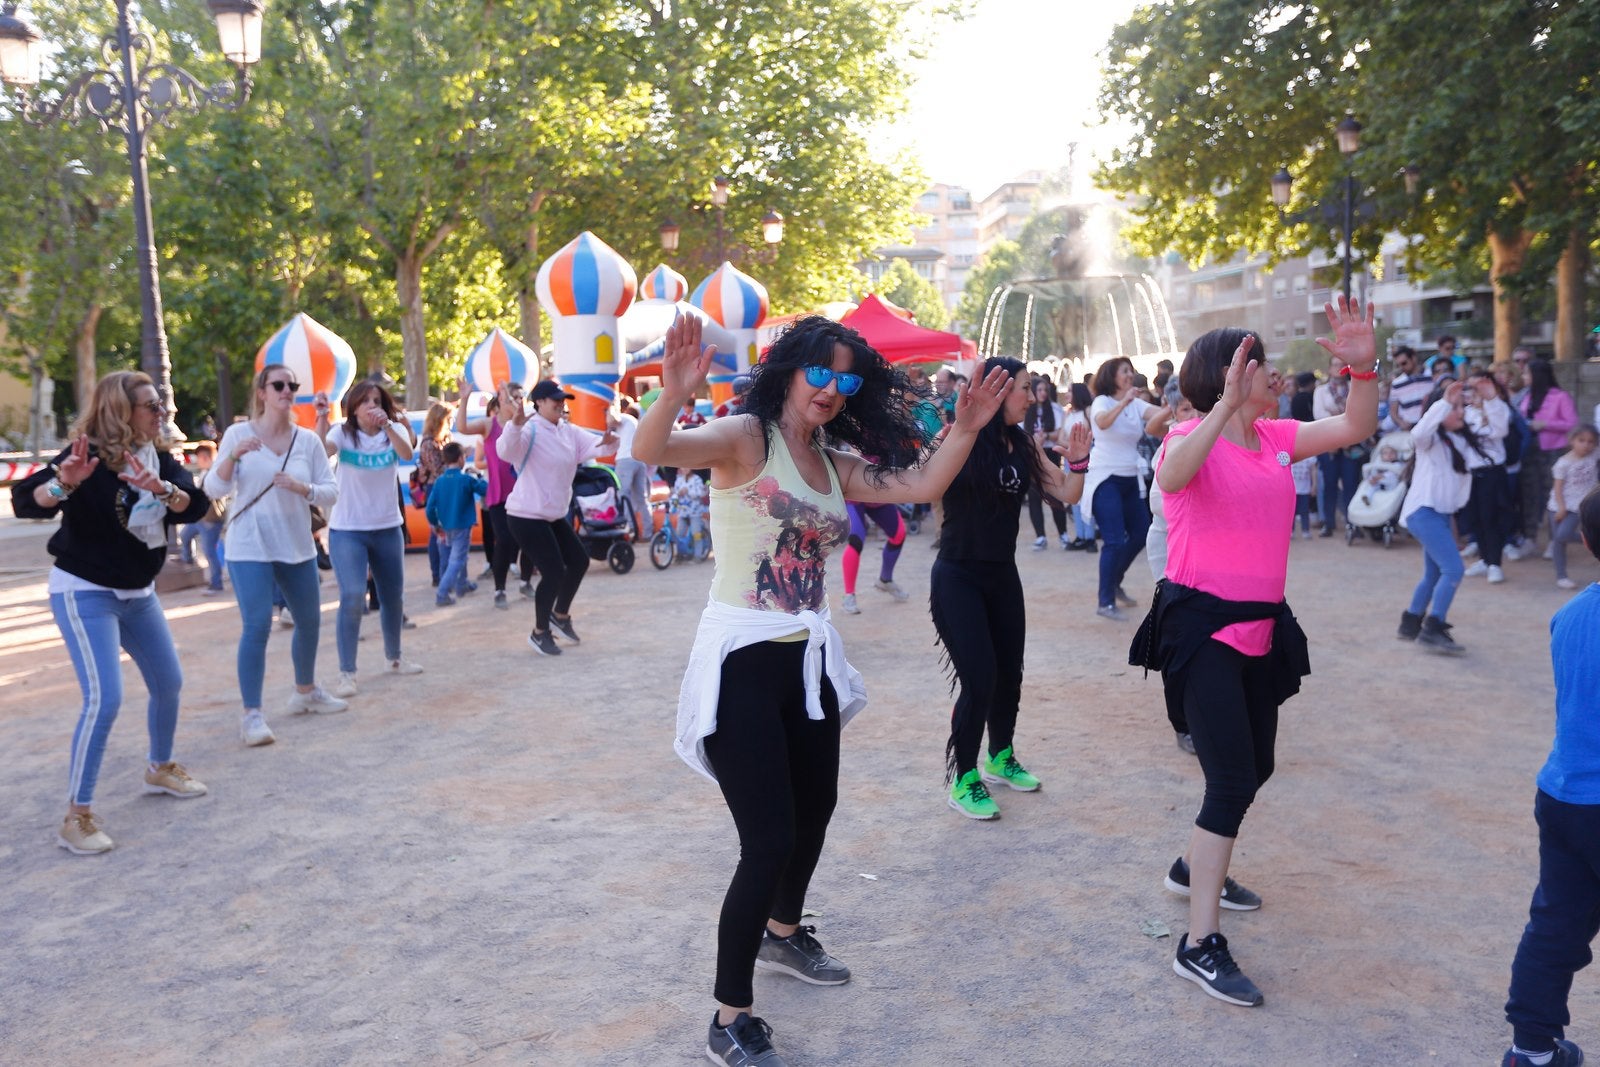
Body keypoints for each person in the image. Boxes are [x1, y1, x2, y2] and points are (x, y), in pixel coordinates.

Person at [633, 313, 1008, 1067]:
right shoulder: (745, 437)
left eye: (847, 380)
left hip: (809, 664)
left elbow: (926, 482)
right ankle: (729, 1015)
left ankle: (782, 932)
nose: (833, 391)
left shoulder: (834, 462)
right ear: (790, 370)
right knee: (767, 838)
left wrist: (964, 426)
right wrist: (673, 395)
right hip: (742, 660)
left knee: (817, 814)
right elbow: (651, 451)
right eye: (821, 374)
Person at [1134, 296, 1377, 1008]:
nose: (1274, 374)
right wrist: (1221, 408)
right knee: (1232, 780)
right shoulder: (1188, 436)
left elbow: (1356, 425)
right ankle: (1198, 942)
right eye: (1259, 362)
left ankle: (1191, 867)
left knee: (1256, 765)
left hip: (1262, 628)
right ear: (1226, 374)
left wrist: (1363, 368)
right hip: (1202, 631)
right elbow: (1175, 474)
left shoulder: (1276, 436)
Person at [11, 371, 211, 855]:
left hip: (138, 592)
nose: (160, 411)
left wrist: (163, 489)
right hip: (85, 591)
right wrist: (63, 483)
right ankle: (76, 816)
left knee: (169, 682)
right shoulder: (86, 456)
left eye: (159, 402)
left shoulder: (158, 458)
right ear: (120, 410)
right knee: (105, 698)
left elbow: (194, 505)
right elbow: (27, 503)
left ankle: (159, 766)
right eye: (149, 404)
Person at [938, 357, 1091, 819]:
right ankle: (964, 777)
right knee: (979, 678)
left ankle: (999, 756)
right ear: (1000, 392)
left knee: (1010, 674)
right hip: (957, 576)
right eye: (1025, 387)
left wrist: (1080, 460)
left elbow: (1067, 493)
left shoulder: (1023, 444)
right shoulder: (959, 437)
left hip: (1002, 575)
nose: (1031, 395)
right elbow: (924, 487)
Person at [1500, 483, 1600, 1067]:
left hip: (1563, 796)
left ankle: (1530, 1050)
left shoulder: (1569, 614)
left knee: (1555, 927)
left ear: (1584, 540)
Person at [211, 365, 346, 745]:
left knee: (309, 621)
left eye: (292, 385)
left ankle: (305, 692)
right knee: (257, 625)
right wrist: (232, 456)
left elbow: (330, 491)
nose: (288, 390)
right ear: (262, 392)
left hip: (296, 543)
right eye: (279, 385)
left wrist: (304, 488)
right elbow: (213, 487)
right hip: (249, 544)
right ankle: (252, 715)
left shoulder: (307, 441)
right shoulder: (238, 434)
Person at [315, 380, 424, 696]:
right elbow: (322, 450)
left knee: (393, 597)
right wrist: (322, 416)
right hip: (348, 529)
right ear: (353, 407)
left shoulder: (394, 433)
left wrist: (390, 425)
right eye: (366, 401)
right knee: (351, 596)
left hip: (388, 527)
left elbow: (406, 453)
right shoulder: (343, 432)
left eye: (377, 400)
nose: (373, 406)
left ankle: (395, 658)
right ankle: (347, 672)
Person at [497, 378, 617, 656]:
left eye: (563, 400)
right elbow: (506, 451)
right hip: (525, 514)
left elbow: (598, 447)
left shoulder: (568, 431)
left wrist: (609, 440)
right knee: (553, 570)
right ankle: (540, 633)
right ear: (538, 403)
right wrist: (514, 424)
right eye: (555, 400)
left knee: (579, 561)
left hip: (552, 514)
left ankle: (559, 616)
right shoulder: (529, 430)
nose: (561, 404)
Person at [1398, 381, 1480, 654]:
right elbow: (1419, 431)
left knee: (1434, 573)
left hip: (1441, 516)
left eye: (1462, 407)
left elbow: (1494, 437)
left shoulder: (1462, 442)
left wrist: (1487, 402)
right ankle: (1434, 627)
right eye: (1454, 408)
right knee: (1454, 569)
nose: (1460, 412)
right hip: (1423, 513)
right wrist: (1444, 401)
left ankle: (1410, 622)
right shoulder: (1430, 441)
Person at [1085, 357, 1155, 619]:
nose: (1130, 375)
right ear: (1111, 376)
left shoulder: (1136, 403)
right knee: (1113, 540)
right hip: (1106, 479)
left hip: (1129, 478)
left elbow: (1158, 415)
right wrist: (1125, 401)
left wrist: (1177, 406)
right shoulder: (1102, 401)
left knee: (1141, 533)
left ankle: (1114, 582)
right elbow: (1102, 422)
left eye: (1131, 371)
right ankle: (1105, 602)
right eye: (1124, 371)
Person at [456, 377, 534, 608]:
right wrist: (464, 399)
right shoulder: (490, 425)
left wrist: (511, 399)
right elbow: (462, 427)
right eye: (511, 398)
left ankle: (526, 582)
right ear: (499, 402)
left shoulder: (526, 425)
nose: (517, 403)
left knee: (530, 539)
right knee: (505, 541)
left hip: (525, 492)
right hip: (499, 495)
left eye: (520, 399)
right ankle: (500, 589)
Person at [1520, 359, 1580, 548]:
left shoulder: (1561, 396)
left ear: (1537, 376)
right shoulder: (1526, 395)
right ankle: (1529, 537)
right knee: (1528, 494)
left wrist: (1546, 425)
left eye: (1527, 373)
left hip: (1553, 452)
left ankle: (1555, 541)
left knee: (1553, 496)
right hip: (1529, 450)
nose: (1523, 377)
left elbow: (1572, 423)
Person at [425, 441, 487, 605]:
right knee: (457, 560)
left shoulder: (439, 481)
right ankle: (442, 593)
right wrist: (479, 475)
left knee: (451, 558)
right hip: (462, 526)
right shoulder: (466, 479)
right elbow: (485, 489)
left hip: (444, 527)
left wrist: (435, 523)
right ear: (461, 459)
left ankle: (461, 584)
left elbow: (430, 508)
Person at [1312, 361, 1362, 536]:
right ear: (1329, 368)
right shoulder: (1321, 391)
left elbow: (1360, 412)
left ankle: (1353, 523)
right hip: (1329, 443)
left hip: (1351, 443)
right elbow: (1319, 415)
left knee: (1351, 484)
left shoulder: (1354, 387)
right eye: (1334, 365)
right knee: (1329, 485)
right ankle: (1329, 523)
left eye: (1342, 365)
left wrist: (1335, 413)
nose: (1338, 368)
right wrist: (1345, 416)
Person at [1022, 377, 1071, 550]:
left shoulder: (1056, 409)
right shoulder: (1026, 408)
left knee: (1055, 496)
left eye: (1045, 390)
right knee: (1034, 497)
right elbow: (1020, 431)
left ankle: (1063, 534)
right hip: (1031, 455)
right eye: (1039, 390)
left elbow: (1060, 432)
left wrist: (1046, 437)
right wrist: (1034, 441)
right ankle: (1040, 536)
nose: (1042, 393)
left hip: (1051, 454)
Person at [1548, 426, 1599, 590]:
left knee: (1561, 536)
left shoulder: (1594, 455)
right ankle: (1561, 576)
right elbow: (1557, 488)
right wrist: (1561, 507)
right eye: (1581, 440)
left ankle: (1593, 540)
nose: (1586, 445)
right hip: (1559, 506)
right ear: (1572, 441)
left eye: (1591, 442)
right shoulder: (1563, 463)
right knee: (1560, 539)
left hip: (1579, 506)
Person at [838, 497, 907, 614]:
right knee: (856, 541)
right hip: (853, 497)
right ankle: (849, 595)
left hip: (878, 495)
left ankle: (885, 580)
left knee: (899, 535)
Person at [414, 401, 454, 588]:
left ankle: (446, 571)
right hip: (435, 491)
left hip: (445, 489)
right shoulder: (429, 443)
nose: (451, 422)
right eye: (449, 419)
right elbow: (437, 470)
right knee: (436, 532)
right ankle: (437, 573)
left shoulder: (444, 439)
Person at [179, 440, 227, 594]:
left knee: (209, 552)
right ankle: (188, 559)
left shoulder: (214, 473)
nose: (197, 461)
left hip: (210, 519)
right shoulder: (207, 472)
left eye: (199, 458)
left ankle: (216, 584)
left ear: (205, 457)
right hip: (201, 518)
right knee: (185, 535)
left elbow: (212, 495)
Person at [609, 397, 652, 542]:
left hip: (625, 459)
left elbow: (611, 420)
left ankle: (629, 530)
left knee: (623, 496)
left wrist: (608, 406)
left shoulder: (624, 418)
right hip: (639, 460)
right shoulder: (635, 422)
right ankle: (648, 532)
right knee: (641, 498)